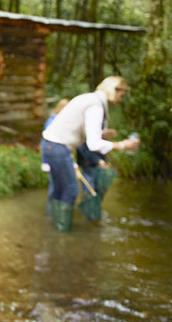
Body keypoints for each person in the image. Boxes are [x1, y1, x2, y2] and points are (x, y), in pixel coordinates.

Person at [40, 76, 139, 232]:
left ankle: (52, 227)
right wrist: (122, 145)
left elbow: (80, 127)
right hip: (58, 147)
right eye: (121, 95)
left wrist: (102, 133)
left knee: (59, 189)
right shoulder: (96, 105)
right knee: (70, 189)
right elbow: (94, 144)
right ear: (113, 90)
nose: (121, 99)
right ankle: (63, 231)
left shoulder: (89, 98)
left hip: (50, 145)